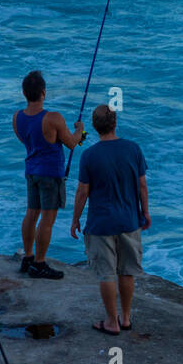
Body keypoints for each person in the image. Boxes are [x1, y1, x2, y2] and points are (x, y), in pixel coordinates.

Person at [70, 104, 150, 334]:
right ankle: (125, 318)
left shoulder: (89, 155)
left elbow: (82, 192)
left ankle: (111, 321)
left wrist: (75, 219)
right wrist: (145, 212)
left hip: (101, 223)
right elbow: (142, 185)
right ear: (115, 123)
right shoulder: (133, 149)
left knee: (106, 273)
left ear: (95, 127)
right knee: (127, 271)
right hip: (129, 220)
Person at [13, 70, 86, 279]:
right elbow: (72, 143)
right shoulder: (53, 118)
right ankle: (40, 263)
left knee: (31, 213)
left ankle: (27, 257)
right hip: (50, 175)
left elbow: (26, 141)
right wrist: (81, 130)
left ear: (25, 93)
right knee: (47, 219)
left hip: (31, 171)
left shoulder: (17, 117)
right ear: (43, 92)